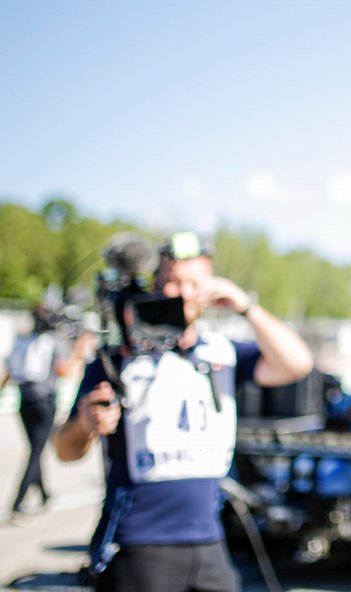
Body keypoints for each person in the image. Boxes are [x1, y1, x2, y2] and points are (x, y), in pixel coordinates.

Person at [54, 232, 313, 592]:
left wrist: (246, 306)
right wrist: (86, 423)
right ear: (155, 285)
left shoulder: (220, 352)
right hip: (138, 546)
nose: (181, 293)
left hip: (210, 543)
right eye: (172, 281)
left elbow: (297, 363)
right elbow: (64, 450)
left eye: (195, 284)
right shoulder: (118, 357)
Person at [2, 303, 91, 517]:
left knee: (36, 447)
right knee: (36, 451)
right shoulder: (53, 341)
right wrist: (78, 353)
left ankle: (43, 493)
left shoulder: (23, 340)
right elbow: (64, 370)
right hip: (44, 402)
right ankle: (18, 501)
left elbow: (10, 371)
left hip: (24, 401)